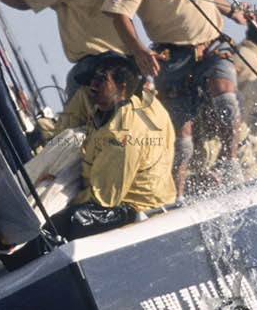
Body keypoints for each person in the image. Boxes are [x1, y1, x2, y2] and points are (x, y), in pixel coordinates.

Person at [101, 0, 247, 195]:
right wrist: (139, 50)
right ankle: (177, 194)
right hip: (172, 55)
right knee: (182, 140)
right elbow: (119, 14)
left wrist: (231, 10)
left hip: (211, 44)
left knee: (226, 101)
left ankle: (229, 164)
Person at [48, 56, 176, 239]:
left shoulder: (122, 136)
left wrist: (59, 195)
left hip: (137, 208)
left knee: (64, 221)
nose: (92, 85)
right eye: (92, 79)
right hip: (129, 192)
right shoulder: (118, 106)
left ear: (122, 88)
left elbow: (104, 199)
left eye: (101, 80)